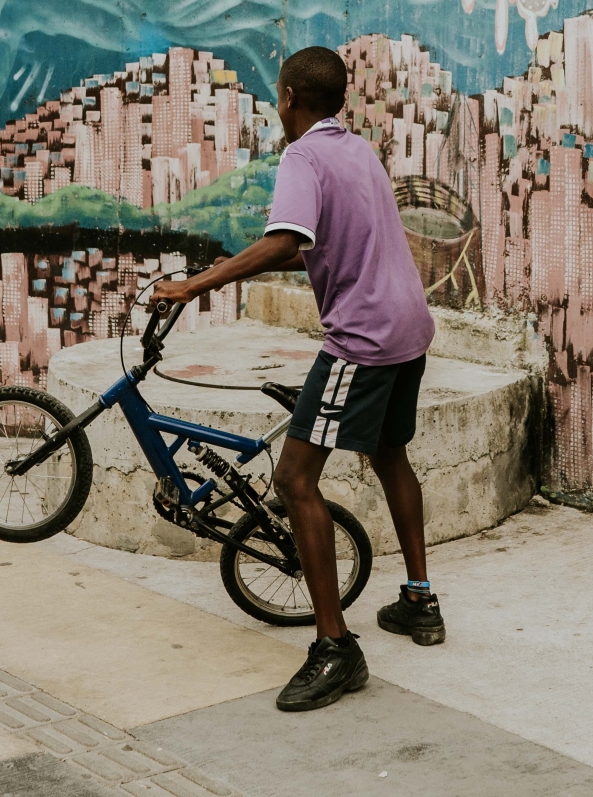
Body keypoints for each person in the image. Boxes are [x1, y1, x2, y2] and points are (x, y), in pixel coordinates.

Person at [150, 45, 445, 711]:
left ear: (289, 97)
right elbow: (328, 243)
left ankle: (335, 647)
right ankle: (420, 602)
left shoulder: (303, 157)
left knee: (294, 478)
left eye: (277, 96)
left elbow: (287, 240)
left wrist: (196, 284)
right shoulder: (358, 151)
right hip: (408, 327)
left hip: (362, 340)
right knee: (390, 454)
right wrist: (239, 267)